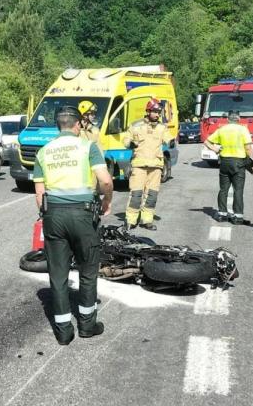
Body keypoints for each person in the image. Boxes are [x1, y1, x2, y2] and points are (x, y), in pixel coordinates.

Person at [33, 106, 113, 345]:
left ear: (58, 125)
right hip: (83, 215)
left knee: (58, 275)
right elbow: (105, 180)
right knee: (88, 270)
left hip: (54, 215)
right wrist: (106, 201)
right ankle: (87, 325)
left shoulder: (43, 151)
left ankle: (63, 331)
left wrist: (47, 215)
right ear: (77, 124)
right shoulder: (88, 147)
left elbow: (39, 194)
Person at [122, 98, 174, 230]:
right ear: (148, 111)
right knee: (136, 195)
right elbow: (126, 139)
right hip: (139, 165)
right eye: (155, 112)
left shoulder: (162, 127)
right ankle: (131, 220)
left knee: (152, 195)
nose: (157, 115)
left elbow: (168, 138)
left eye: (159, 112)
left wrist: (171, 141)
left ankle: (147, 220)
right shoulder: (136, 125)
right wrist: (130, 143)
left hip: (155, 166)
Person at [203, 110, 253, 224]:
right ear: (239, 118)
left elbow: (206, 141)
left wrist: (215, 149)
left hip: (224, 162)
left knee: (223, 189)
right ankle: (238, 217)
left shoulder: (222, 130)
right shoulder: (243, 129)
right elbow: (248, 148)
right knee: (238, 190)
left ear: (228, 119)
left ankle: (222, 214)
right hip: (239, 163)